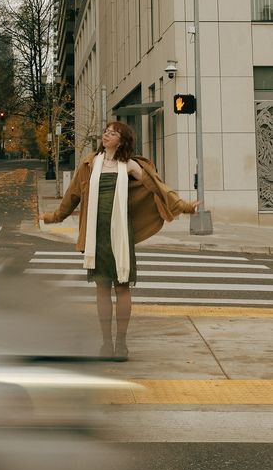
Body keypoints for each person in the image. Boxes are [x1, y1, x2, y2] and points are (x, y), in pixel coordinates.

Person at [40, 121, 200, 360]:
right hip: (97, 234)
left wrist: (184, 206)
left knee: (122, 286)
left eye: (112, 133)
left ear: (122, 141)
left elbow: (158, 188)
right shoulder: (89, 163)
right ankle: (106, 343)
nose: (106, 134)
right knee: (102, 287)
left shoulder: (130, 166)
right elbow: (72, 195)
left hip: (121, 234)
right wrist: (54, 217)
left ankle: (121, 344)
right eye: (106, 131)